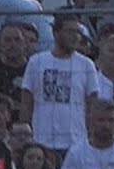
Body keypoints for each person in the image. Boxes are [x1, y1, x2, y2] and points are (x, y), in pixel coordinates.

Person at [20, 14, 101, 161]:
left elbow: (92, 104)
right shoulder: (36, 62)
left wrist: (91, 136)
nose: (75, 36)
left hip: (76, 143)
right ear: (56, 33)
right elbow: (26, 101)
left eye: (78, 32)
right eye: (70, 31)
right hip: (41, 141)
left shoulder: (86, 65)